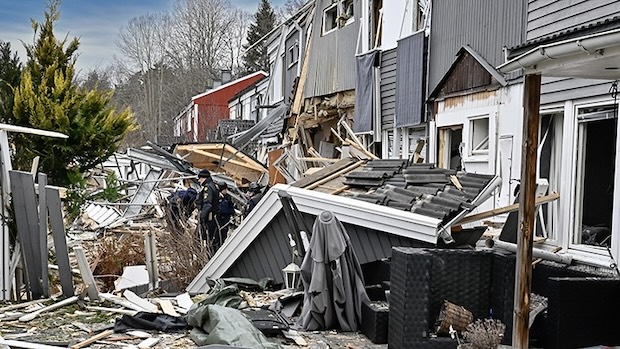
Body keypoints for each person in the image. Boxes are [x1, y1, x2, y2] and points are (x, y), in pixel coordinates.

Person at [195, 169, 220, 253]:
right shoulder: (213, 186)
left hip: (208, 218)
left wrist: (202, 217)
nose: (199, 181)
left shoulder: (208, 187)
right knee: (211, 240)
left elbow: (207, 204)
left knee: (197, 239)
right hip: (212, 218)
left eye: (199, 178)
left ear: (203, 178)